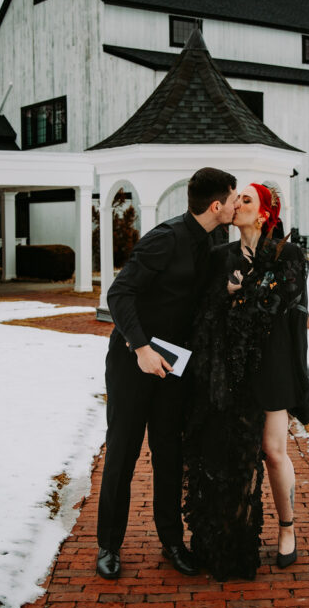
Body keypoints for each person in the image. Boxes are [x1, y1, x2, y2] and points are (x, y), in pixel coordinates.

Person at [96, 167, 239, 580]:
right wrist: (140, 348)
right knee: (122, 452)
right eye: (233, 198)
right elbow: (119, 293)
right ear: (217, 205)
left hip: (174, 365)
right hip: (132, 360)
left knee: (169, 454)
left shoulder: (213, 239)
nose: (235, 204)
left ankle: (172, 542)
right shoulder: (165, 238)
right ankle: (109, 546)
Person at [184, 182, 309, 581]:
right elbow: (205, 307)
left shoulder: (288, 255)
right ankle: (234, 530)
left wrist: (244, 293)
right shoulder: (221, 256)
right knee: (233, 453)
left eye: (246, 199)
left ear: (264, 213)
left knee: (273, 450)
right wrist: (227, 293)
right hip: (231, 368)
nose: (236, 203)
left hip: (273, 364)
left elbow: (277, 299)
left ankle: (288, 526)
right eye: (236, 197)